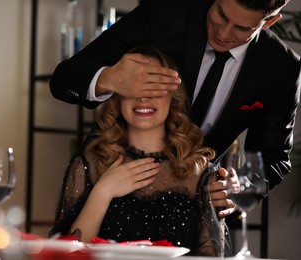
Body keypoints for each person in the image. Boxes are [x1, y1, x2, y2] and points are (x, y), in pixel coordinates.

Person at [49, 0, 301, 207]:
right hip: (107, 182)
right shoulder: (162, 13)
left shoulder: (282, 68)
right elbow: (63, 79)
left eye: (241, 29)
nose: (223, 34)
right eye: (221, 14)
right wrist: (109, 78)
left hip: (196, 203)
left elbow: (273, 158)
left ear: (268, 22)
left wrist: (236, 191)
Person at [50, 47, 230, 256]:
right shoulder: (87, 165)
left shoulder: (202, 173)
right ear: (117, 98)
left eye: (154, 87)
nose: (143, 98)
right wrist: (103, 192)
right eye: (134, 87)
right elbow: (63, 256)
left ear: (173, 98)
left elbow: (213, 256)